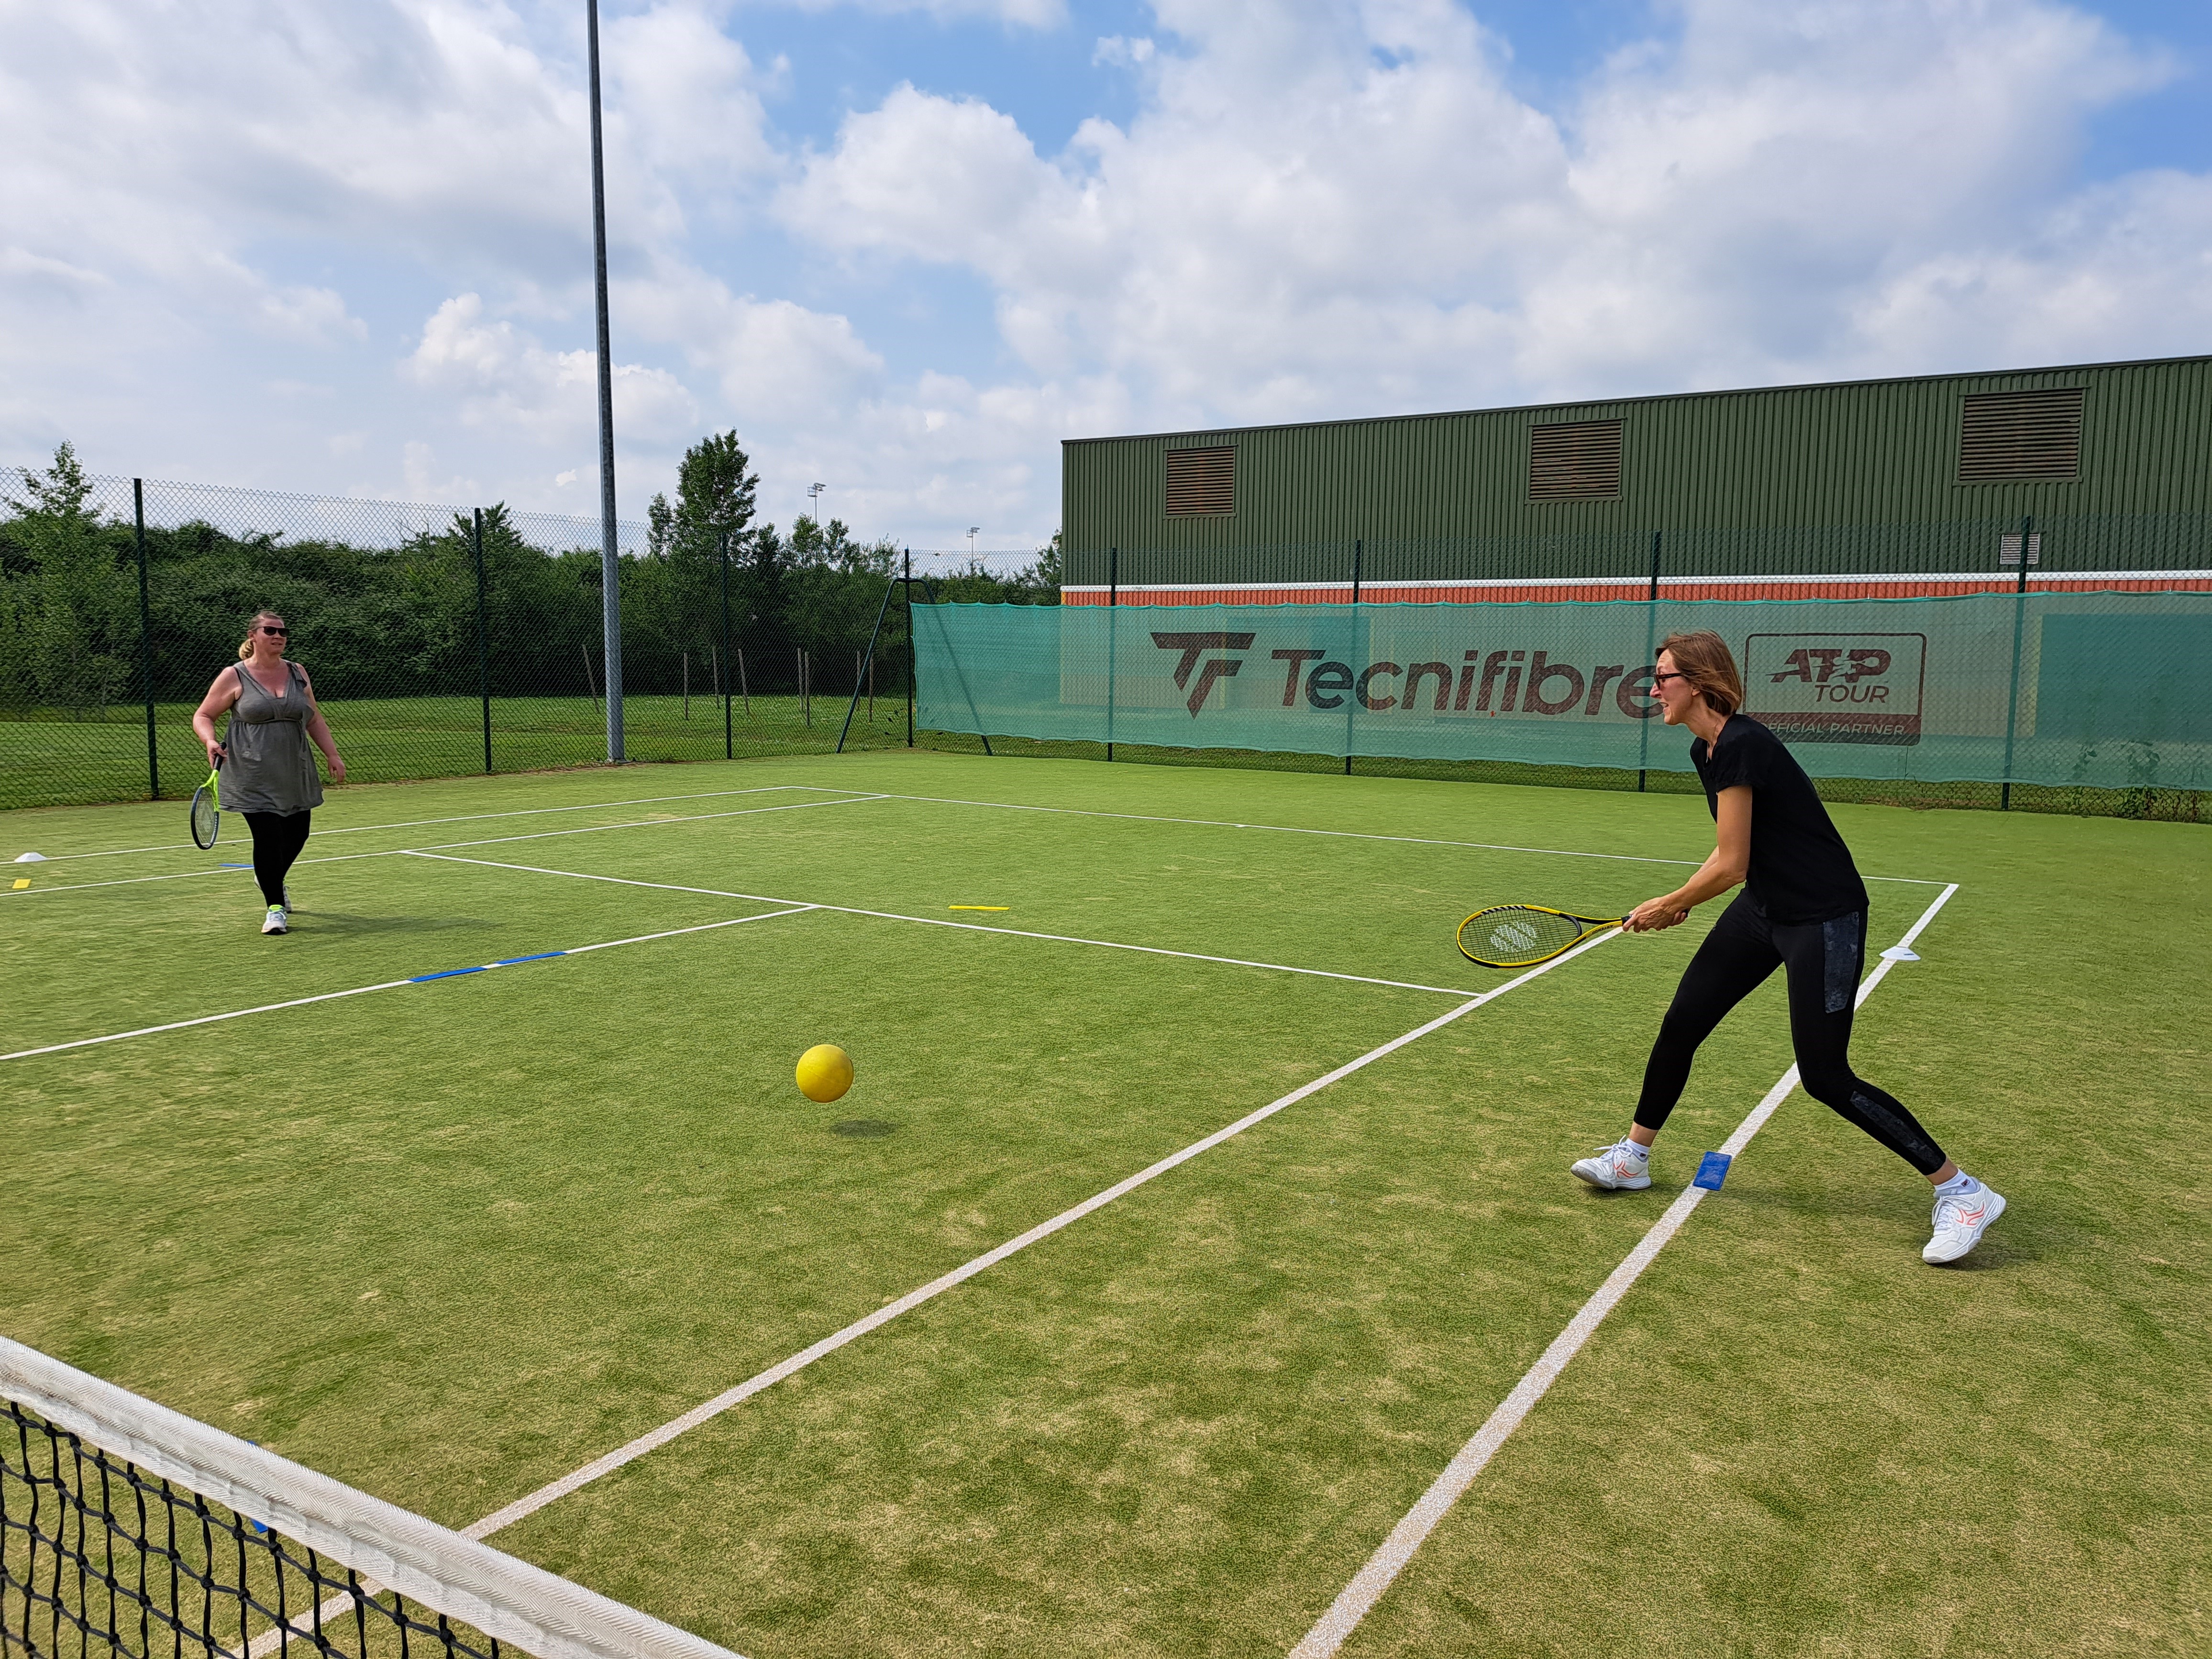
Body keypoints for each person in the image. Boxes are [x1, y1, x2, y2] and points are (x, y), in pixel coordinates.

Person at [1571, 630, 2004, 1265]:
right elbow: (1729, 852)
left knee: (1825, 1075)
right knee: (1682, 1022)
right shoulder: (1707, 749)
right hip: (1764, 910)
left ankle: (1963, 1192)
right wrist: (1687, 896)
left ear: (1699, 682)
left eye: (1662, 677)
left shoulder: (1742, 744)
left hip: (1822, 916)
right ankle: (1632, 1157)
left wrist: (1670, 901)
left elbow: (1735, 863)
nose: (1653, 688)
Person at [191, 609, 345, 934]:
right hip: (250, 773)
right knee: (268, 837)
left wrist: (332, 754)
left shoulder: (298, 672)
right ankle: (275, 909)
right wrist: (208, 740)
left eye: (283, 632)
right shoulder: (234, 675)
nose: (279, 636)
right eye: (271, 630)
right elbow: (203, 715)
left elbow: (314, 718)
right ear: (254, 636)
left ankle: (269, 878)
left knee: (297, 835)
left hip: (295, 769)